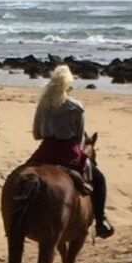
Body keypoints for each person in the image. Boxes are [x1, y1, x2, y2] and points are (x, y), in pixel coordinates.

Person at [28, 64, 114, 236]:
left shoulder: (43, 105)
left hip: (45, 150)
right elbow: (78, 137)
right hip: (69, 152)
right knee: (99, 179)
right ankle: (100, 220)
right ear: (68, 85)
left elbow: (37, 134)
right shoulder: (76, 107)